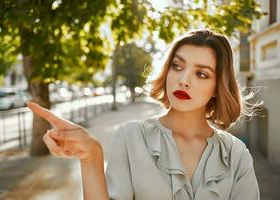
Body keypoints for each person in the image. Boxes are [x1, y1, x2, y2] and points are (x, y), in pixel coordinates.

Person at [27, 29, 260, 200]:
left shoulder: (236, 155)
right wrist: (91, 157)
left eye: (201, 74)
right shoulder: (130, 138)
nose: (183, 79)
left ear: (218, 88)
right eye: (177, 66)